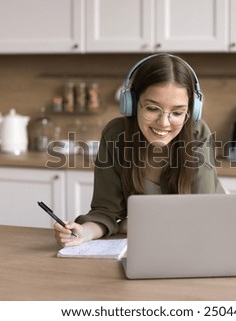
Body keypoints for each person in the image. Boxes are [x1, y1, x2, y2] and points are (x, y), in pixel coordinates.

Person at [54, 53, 224, 247]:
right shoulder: (116, 135)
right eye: (152, 108)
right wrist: (84, 232)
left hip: (202, 241)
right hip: (149, 244)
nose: (164, 123)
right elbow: (105, 212)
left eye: (177, 113)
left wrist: (128, 225)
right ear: (132, 104)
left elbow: (201, 215)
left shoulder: (197, 133)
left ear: (191, 111)